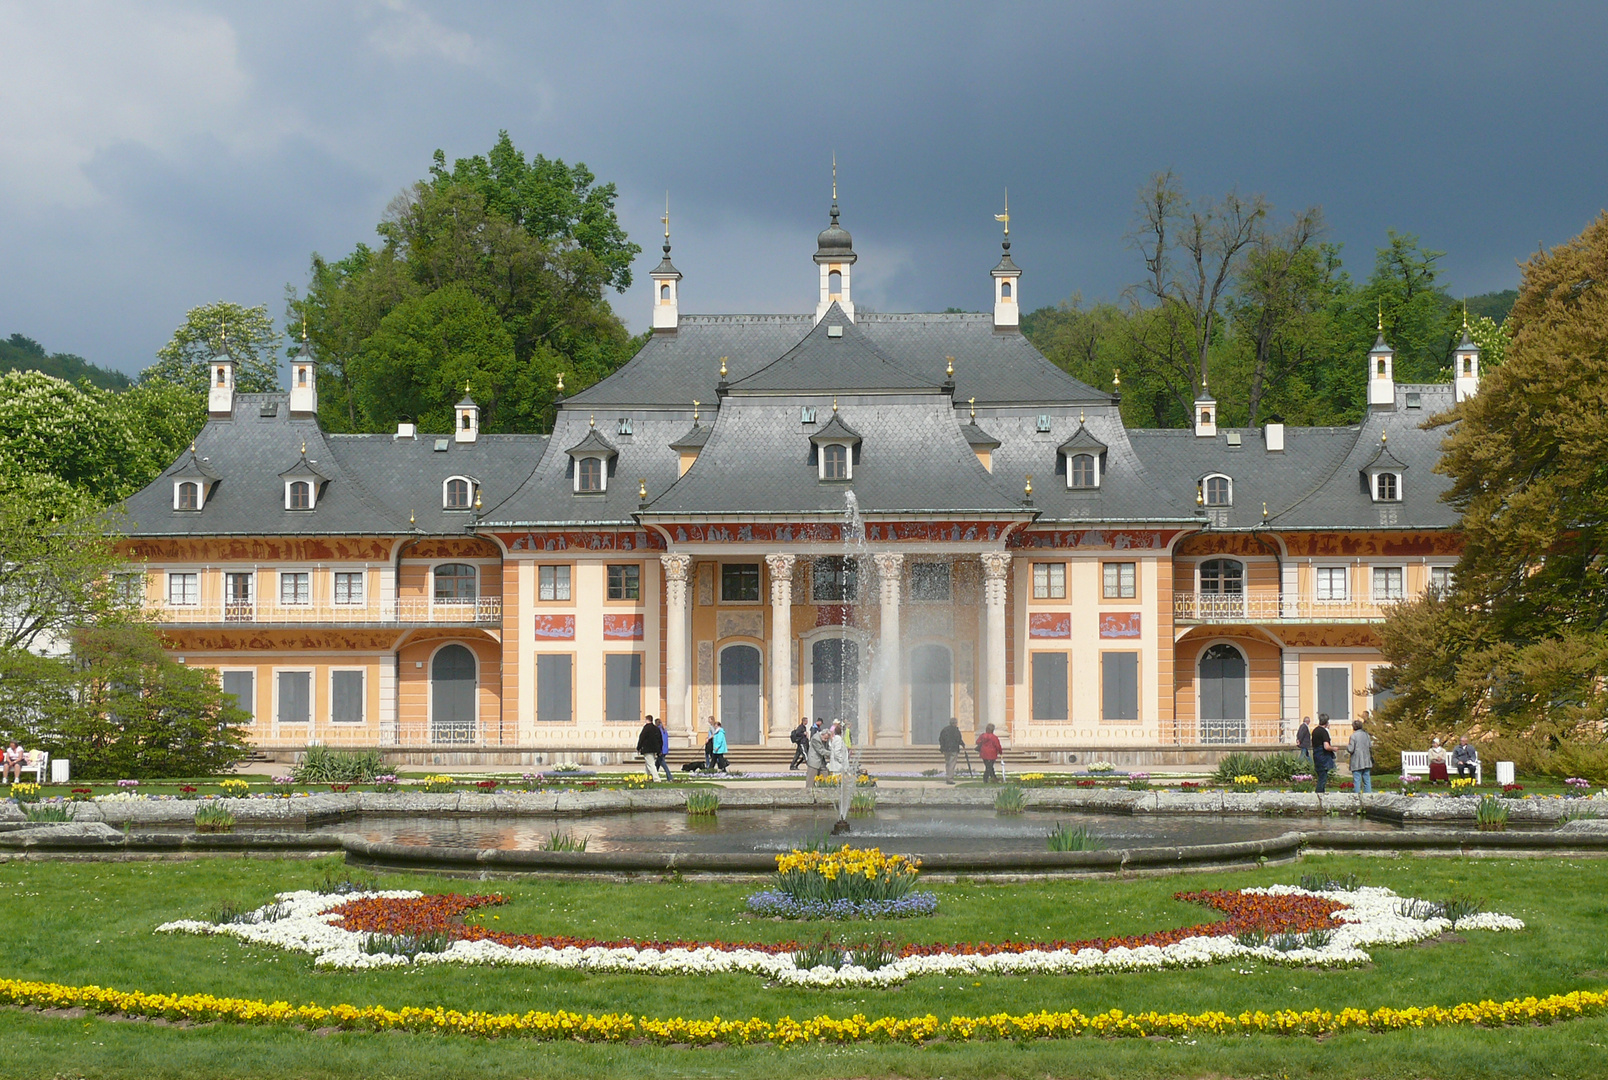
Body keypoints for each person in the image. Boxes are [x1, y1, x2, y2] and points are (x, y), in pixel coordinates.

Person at [1347, 719, 1374, 793]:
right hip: (1366, 760)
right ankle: (1368, 796)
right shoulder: (1366, 735)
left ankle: (1357, 796)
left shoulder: (1353, 736)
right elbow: (1370, 746)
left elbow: (1351, 749)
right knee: (1367, 780)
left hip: (1357, 760)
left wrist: (1347, 747)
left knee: (1357, 780)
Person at [1311, 714, 1335, 792]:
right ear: (1326, 722)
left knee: (1320, 776)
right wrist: (1333, 748)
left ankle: (1320, 792)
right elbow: (1326, 746)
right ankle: (1319, 794)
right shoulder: (1324, 732)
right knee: (1322, 778)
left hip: (1316, 755)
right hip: (1323, 756)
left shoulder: (1315, 731)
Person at [804, 719, 829, 790]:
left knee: (825, 777)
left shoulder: (825, 738)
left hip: (822, 761)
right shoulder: (815, 739)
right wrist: (833, 753)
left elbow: (827, 748)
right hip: (814, 762)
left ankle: (823, 793)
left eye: (827, 739)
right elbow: (821, 751)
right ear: (822, 735)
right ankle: (808, 794)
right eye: (825, 738)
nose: (826, 740)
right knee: (810, 781)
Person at [636, 715, 662, 780]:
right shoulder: (656, 728)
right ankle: (646, 777)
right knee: (648, 763)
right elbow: (660, 739)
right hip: (654, 749)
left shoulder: (646, 728)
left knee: (651, 764)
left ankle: (656, 778)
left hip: (647, 749)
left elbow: (641, 738)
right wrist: (659, 749)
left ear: (646, 720)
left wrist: (638, 747)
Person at [939, 717, 964, 783]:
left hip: (946, 749)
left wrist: (942, 747)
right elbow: (959, 739)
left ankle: (948, 776)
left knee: (947, 763)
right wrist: (963, 744)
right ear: (955, 723)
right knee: (952, 763)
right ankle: (950, 778)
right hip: (954, 749)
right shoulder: (956, 731)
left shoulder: (945, 730)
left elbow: (941, 739)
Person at [654, 717, 674, 782]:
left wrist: (658, 750)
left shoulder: (658, 730)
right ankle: (654, 775)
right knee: (657, 764)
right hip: (665, 749)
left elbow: (659, 740)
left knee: (663, 764)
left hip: (661, 749)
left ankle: (669, 776)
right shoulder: (664, 730)